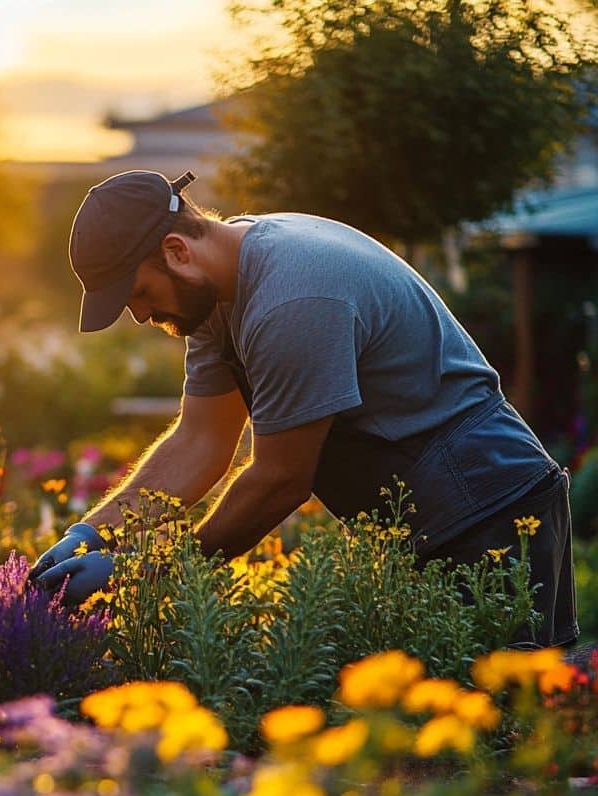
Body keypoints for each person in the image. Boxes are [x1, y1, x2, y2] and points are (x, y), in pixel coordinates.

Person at [29, 169, 577, 649]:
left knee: (510, 731)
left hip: (491, 509)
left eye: (140, 295)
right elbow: (199, 444)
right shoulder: (214, 293)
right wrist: (93, 532)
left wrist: (143, 575)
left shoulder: (293, 298)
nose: (143, 315)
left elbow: (280, 479)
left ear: (177, 251)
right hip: (428, 513)